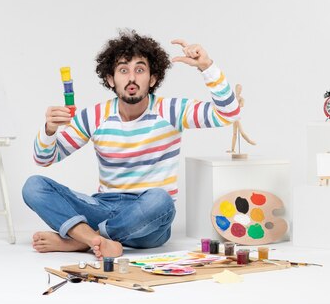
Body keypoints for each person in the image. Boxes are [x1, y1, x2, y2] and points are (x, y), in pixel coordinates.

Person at [22, 29, 241, 258]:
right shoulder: (95, 116)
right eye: (123, 70)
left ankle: (78, 242)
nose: (132, 78)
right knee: (34, 186)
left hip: (150, 218)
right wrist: (49, 130)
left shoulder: (172, 111)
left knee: (161, 199)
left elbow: (229, 113)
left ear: (153, 78)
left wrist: (206, 66)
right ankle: (95, 239)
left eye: (140, 69)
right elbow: (43, 159)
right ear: (110, 79)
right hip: (103, 207)